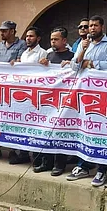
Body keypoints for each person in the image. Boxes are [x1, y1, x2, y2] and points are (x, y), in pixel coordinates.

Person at [65, 15, 107, 186]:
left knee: (101, 131)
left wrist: (91, 63)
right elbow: (74, 65)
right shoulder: (83, 43)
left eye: (95, 25)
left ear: (102, 27)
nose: (92, 28)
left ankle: (102, 170)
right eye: (90, 26)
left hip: (101, 93)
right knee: (84, 129)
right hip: (85, 94)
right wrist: (82, 52)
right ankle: (83, 166)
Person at [35, 27, 74, 176]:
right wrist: (42, 64)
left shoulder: (72, 56)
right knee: (46, 132)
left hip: (64, 102)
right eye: (51, 39)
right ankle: (47, 161)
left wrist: (70, 64)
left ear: (64, 40)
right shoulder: (49, 56)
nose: (53, 41)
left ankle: (60, 164)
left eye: (56, 39)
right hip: (48, 101)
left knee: (60, 133)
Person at [0, 21, 27, 164]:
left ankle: (12, 151)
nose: (2, 33)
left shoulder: (22, 44)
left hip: (14, 88)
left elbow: (21, 61)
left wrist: (16, 62)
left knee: (11, 119)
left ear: (12, 31)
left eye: (4, 31)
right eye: (1, 31)